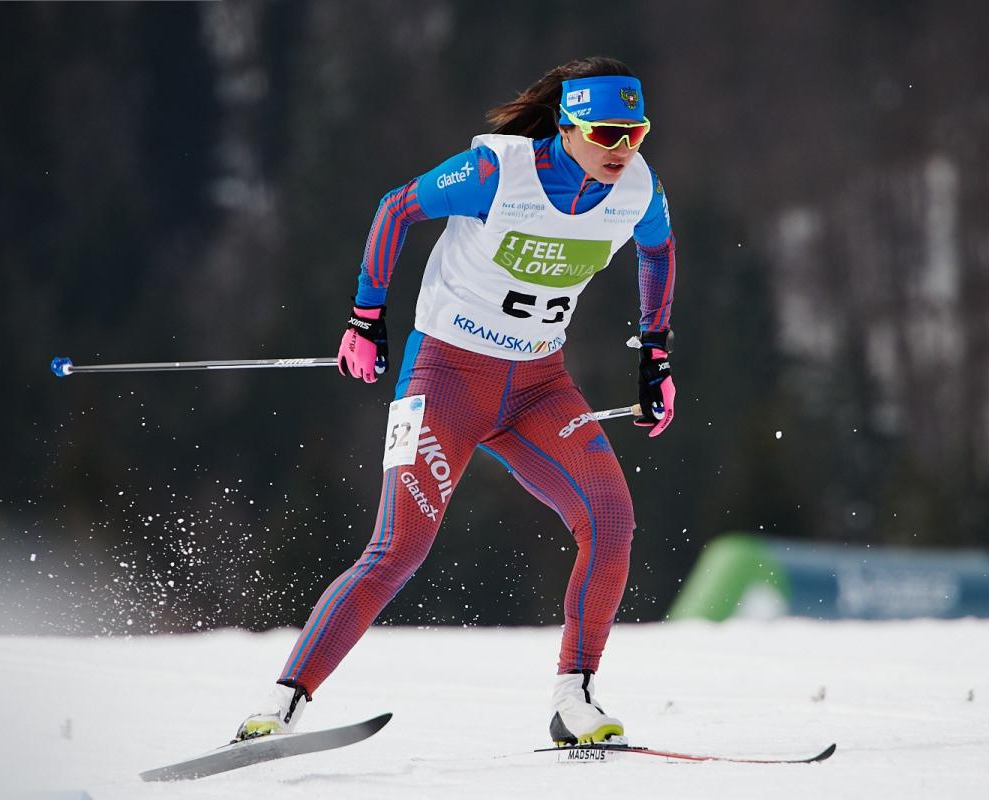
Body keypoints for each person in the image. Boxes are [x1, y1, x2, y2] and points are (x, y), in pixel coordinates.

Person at [234, 56, 675, 747]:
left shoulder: (640, 191)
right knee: (397, 550)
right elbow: (397, 207)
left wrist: (656, 354)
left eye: (635, 132)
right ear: (567, 127)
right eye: (606, 133)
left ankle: (575, 697)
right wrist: (364, 318)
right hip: (443, 379)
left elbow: (657, 252)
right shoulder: (499, 173)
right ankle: (278, 706)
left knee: (611, 520)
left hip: (537, 386)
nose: (623, 150)